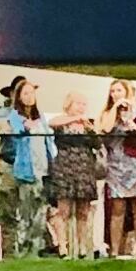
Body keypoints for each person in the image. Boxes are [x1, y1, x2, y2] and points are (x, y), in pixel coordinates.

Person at [0, 79, 56, 256]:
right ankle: (22, 250)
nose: (29, 97)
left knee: (40, 212)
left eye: (32, 93)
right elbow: (17, 132)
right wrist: (25, 127)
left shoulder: (41, 117)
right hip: (26, 169)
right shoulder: (15, 116)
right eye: (25, 93)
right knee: (25, 212)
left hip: (43, 169)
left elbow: (48, 139)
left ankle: (35, 248)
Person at [101, 80, 136, 258]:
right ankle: (115, 250)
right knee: (117, 209)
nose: (116, 93)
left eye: (119, 90)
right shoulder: (108, 113)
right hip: (117, 165)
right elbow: (106, 128)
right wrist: (115, 108)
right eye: (113, 91)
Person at [50, 94, 102, 258]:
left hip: (84, 168)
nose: (81, 107)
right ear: (69, 104)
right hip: (65, 167)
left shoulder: (87, 125)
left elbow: (98, 143)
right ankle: (63, 247)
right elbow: (51, 123)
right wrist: (73, 119)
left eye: (84, 104)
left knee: (83, 211)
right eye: (78, 103)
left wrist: (90, 128)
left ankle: (81, 246)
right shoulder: (60, 121)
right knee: (63, 210)